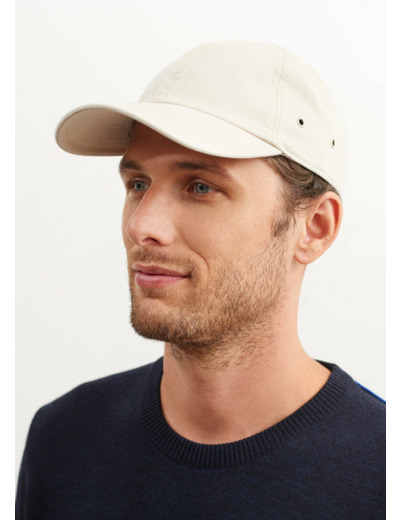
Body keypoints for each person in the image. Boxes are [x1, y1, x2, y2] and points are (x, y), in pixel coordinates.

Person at [16, 41, 385, 519]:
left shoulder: (380, 475)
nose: (141, 225)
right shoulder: (64, 440)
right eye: (138, 184)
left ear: (314, 227)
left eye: (200, 186)